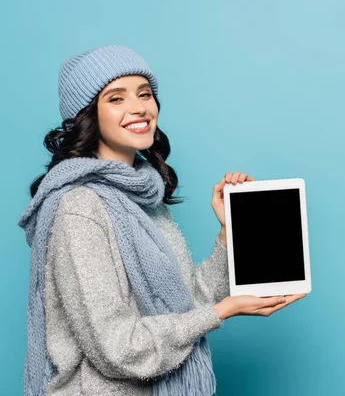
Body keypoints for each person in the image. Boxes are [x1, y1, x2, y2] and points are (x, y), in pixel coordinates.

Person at [17, 44, 305, 396]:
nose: (139, 107)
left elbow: (184, 304)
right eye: (116, 98)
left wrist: (229, 235)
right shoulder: (81, 207)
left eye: (145, 94)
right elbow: (118, 349)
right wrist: (221, 312)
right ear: (88, 115)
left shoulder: (145, 196)